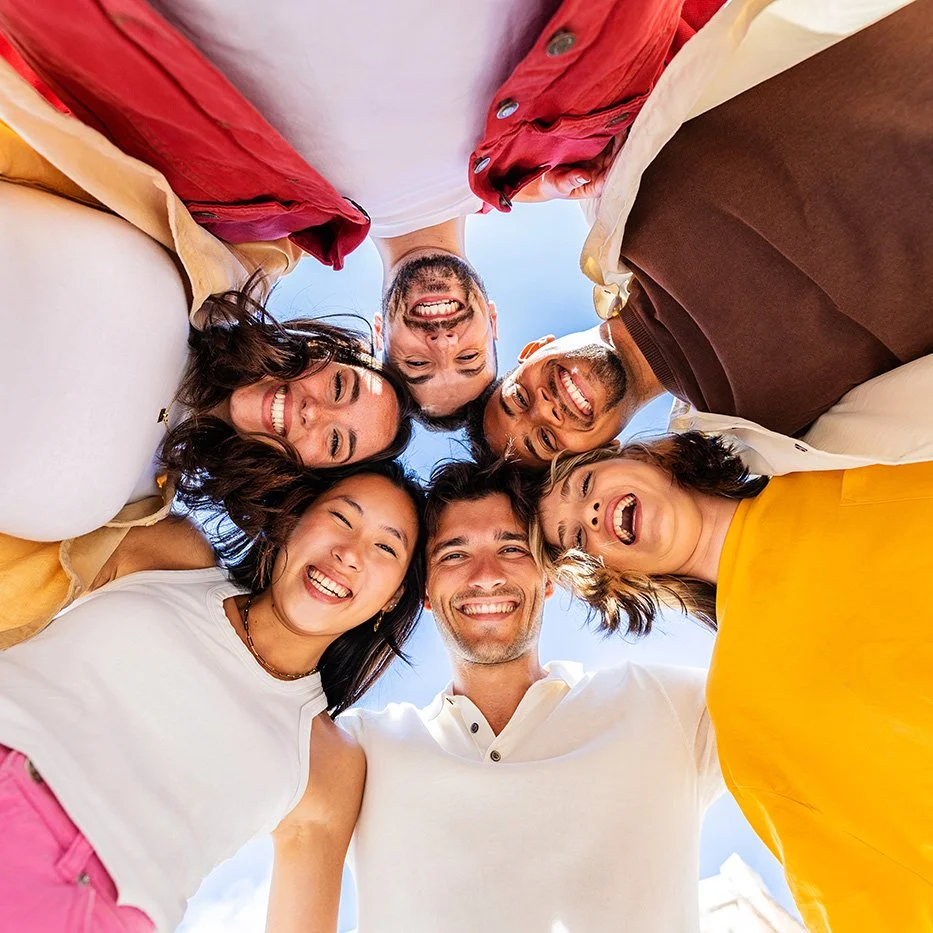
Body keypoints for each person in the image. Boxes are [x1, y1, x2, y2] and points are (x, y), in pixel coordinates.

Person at [0, 0, 728, 419]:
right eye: (469, 356)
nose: (440, 342)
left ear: (381, 331)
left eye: (415, 362)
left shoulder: (254, 214)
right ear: (496, 319)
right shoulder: (571, 153)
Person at [475, 0, 933, 467]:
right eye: (546, 441)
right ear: (601, 453)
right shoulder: (766, 432)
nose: (546, 411)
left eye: (518, 399)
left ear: (533, 349)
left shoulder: (622, 200)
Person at [0, 461, 427, 933]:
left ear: (393, 597)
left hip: (88, 910)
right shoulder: (174, 555)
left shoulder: (329, 761)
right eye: (341, 518)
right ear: (294, 520)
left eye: (386, 547)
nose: (349, 553)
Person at [532, 432, 933, 931]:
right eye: (575, 539)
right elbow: (871, 897)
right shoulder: (744, 706)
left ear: (641, 456)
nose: (590, 515)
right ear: (611, 579)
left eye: (585, 482)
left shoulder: (829, 452)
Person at [321, 459, 722, 932]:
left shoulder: (663, 705)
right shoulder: (363, 749)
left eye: (511, 549)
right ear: (424, 590)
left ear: (549, 577)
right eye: (453, 555)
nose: (485, 575)